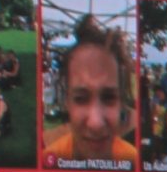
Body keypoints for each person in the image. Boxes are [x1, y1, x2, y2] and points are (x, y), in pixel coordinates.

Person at [41, 15, 138, 163]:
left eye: (109, 98)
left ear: (121, 102)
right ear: (67, 101)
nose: (95, 123)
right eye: (81, 99)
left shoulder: (133, 160)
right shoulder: (49, 158)